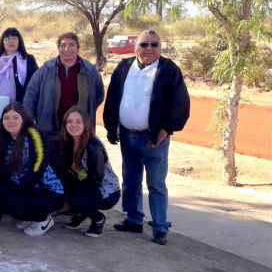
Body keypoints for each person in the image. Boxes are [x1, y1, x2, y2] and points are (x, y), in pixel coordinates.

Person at [103, 29, 190, 245]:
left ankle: (160, 227)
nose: (149, 49)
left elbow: (180, 103)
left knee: (156, 184)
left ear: (160, 48)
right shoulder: (124, 67)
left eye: (154, 44)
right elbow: (113, 97)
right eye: (144, 44)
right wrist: (111, 127)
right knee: (131, 181)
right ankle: (133, 220)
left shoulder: (169, 70)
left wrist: (165, 130)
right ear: (136, 47)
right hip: (127, 136)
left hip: (154, 140)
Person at [0, 102, 65, 236]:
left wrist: (16, 198)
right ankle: (26, 213)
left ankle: (44, 219)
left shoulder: (33, 136)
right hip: (21, 184)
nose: (11, 121)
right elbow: (4, 174)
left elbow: (36, 172)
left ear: (23, 119)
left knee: (14, 203)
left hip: (47, 189)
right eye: (7, 118)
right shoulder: (6, 139)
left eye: (15, 117)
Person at [23, 32, 104, 136]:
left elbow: (98, 96)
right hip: (50, 130)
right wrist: (29, 122)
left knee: (79, 152)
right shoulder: (45, 70)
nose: (67, 49)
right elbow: (30, 96)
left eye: (71, 45)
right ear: (58, 48)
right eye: (63, 45)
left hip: (80, 131)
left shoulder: (90, 71)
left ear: (78, 48)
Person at [58, 106, 121, 237]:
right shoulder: (67, 142)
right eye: (69, 121)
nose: (73, 125)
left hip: (106, 191)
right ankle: (81, 213)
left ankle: (98, 218)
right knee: (62, 192)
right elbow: (66, 172)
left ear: (85, 124)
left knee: (75, 197)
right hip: (84, 184)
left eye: (78, 121)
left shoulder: (93, 145)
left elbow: (96, 179)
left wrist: (72, 197)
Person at [0, 27, 39, 103]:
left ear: (19, 41)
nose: (11, 41)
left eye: (14, 38)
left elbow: (36, 81)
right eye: (7, 38)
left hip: (22, 104)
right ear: (3, 42)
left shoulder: (28, 59)